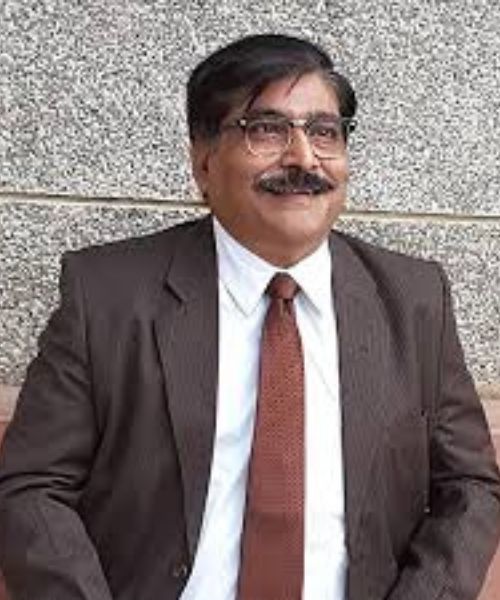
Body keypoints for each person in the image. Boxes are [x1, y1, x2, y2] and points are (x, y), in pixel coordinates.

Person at [0, 33, 499, 600]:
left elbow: (470, 486)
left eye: (324, 132)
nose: (303, 158)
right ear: (203, 160)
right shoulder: (109, 295)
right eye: (266, 129)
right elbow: (32, 487)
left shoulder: (414, 300)